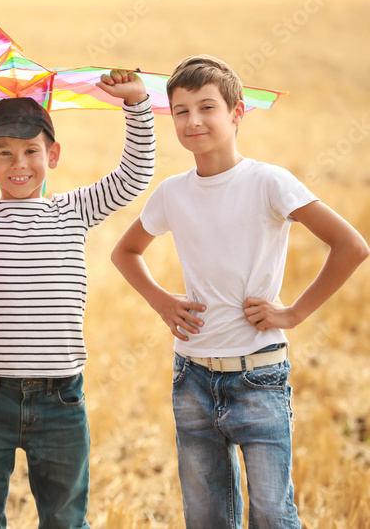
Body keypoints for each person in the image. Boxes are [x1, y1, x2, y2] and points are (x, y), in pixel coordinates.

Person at [110, 54, 368, 528]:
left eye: (207, 107)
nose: (193, 121)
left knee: (272, 514)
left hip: (260, 377)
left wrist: (292, 314)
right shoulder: (172, 192)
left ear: (236, 112)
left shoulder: (268, 182)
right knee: (206, 516)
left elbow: (351, 246)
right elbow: (125, 252)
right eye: (181, 111)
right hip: (191, 378)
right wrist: (162, 301)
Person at [0, 68, 155, 529]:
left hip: (61, 398)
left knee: (65, 519)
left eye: (31, 152)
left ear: (52, 155)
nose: (19, 165)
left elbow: (133, 177)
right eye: (5, 154)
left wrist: (136, 104)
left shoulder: (73, 210)